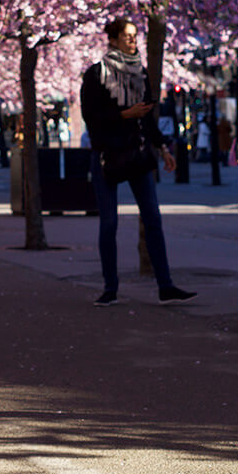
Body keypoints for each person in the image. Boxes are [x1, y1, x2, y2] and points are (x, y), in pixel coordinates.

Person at [80, 18, 197, 307]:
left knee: (153, 219)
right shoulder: (95, 75)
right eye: (127, 37)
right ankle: (110, 289)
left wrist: (163, 148)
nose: (133, 41)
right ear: (113, 40)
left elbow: (146, 116)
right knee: (109, 223)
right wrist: (122, 115)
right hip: (107, 155)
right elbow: (90, 117)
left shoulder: (140, 73)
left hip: (137, 153)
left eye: (135, 36)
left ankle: (165, 285)